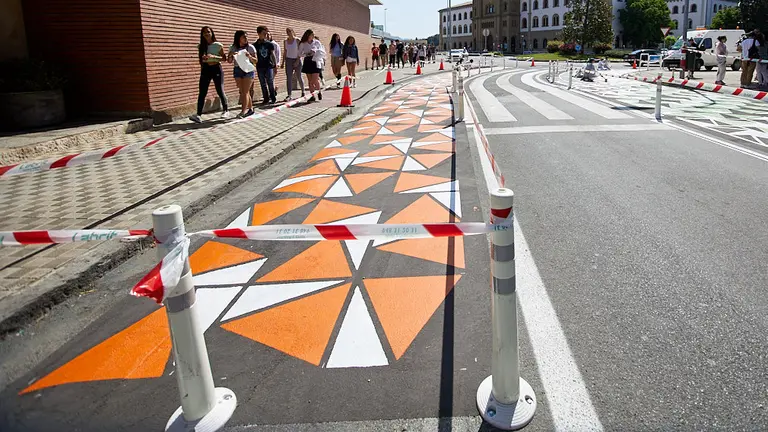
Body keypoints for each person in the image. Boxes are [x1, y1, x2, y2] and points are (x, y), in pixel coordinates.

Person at [190, 26, 229, 123]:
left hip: (216, 68)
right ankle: (198, 115)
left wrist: (213, 57)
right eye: (204, 32)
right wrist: (203, 59)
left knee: (219, 90)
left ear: (212, 33)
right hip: (206, 69)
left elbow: (224, 58)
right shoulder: (201, 46)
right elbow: (200, 60)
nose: (206, 34)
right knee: (202, 92)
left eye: (208, 32)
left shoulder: (218, 45)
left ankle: (225, 110)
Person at [227, 30, 256, 118]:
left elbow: (256, 61)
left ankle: (243, 112)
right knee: (242, 91)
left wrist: (249, 56)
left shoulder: (250, 47)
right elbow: (229, 61)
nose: (246, 38)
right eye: (244, 37)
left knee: (245, 92)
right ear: (238, 38)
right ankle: (251, 109)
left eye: (247, 37)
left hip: (248, 70)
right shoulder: (233, 47)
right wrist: (231, 54)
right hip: (237, 70)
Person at [299, 29, 326, 102]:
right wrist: (306, 54)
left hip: (315, 60)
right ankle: (312, 96)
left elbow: (322, 51)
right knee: (310, 80)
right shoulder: (303, 43)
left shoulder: (316, 42)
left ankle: (319, 92)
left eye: (314, 35)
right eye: (312, 35)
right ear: (308, 35)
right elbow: (299, 53)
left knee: (315, 80)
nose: (313, 36)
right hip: (307, 61)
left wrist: (315, 51)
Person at [253, 26, 277, 105]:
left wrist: (275, 65)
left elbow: (273, 55)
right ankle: (266, 98)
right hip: (260, 66)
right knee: (262, 83)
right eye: (264, 33)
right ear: (259, 33)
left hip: (268, 65)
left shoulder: (269, 44)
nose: (265, 35)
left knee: (270, 82)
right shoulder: (255, 45)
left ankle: (273, 97)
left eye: (266, 33)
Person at [281, 28, 305, 101]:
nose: (288, 33)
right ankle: (289, 95)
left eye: (290, 31)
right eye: (287, 32)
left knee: (299, 76)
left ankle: (303, 91)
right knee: (289, 77)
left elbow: (301, 51)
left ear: (293, 32)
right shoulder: (285, 41)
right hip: (289, 60)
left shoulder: (297, 40)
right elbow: (285, 52)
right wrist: (283, 62)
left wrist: (297, 60)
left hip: (297, 59)